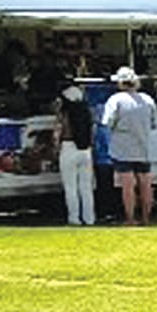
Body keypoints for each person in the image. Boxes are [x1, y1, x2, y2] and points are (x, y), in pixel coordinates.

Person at [101, 66, 157, 225]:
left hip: (122, 148)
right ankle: (147, 218)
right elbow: (154, 123)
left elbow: (108, 122)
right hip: (143, 147)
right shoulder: (147, 100)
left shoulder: (115, 100)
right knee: (146, 183)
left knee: (128, 185)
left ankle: (130, 218)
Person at [54, 85, 96, 226]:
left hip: (68, 147)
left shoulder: (64, 115)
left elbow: (57, 134)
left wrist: (55, 149)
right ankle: (89, 218)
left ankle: (74, 217)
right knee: (86, 187)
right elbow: (92, 134)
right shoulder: (87, 113)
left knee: (70, 186)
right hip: (85, 150)